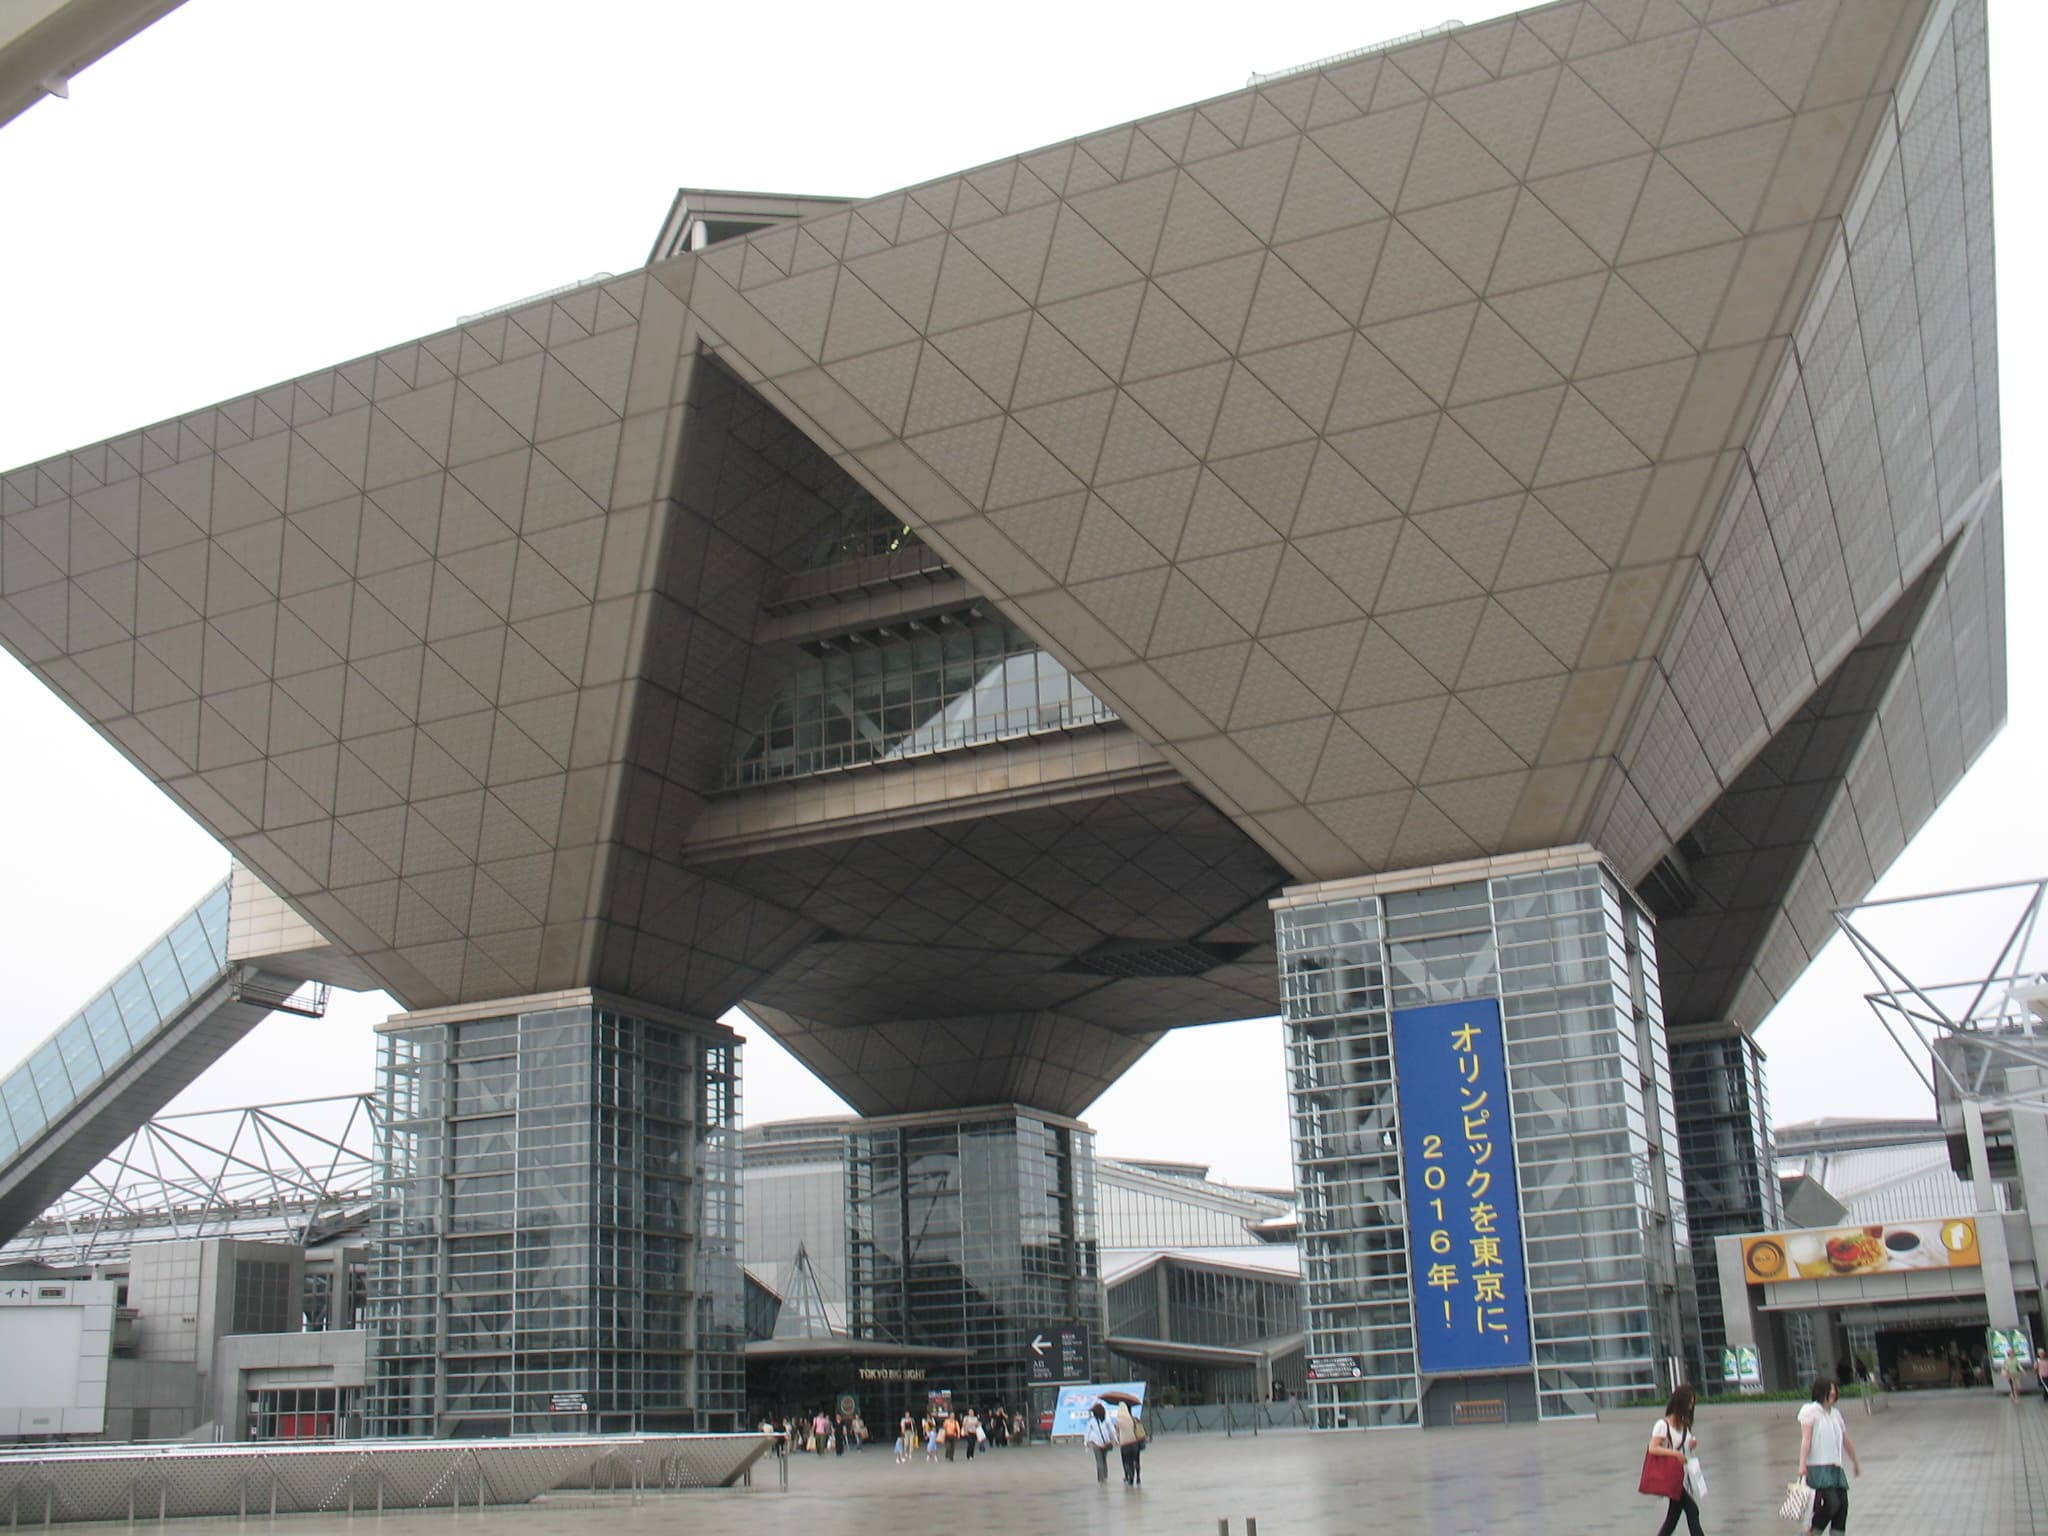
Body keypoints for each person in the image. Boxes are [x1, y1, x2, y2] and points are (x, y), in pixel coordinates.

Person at [1797, 1375, 1860, 1534]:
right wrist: (1802, 1464)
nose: (1833, 1397)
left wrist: (1855, 1462)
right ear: (1821, 1392)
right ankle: (1812, 1531)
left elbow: (1846, 1440)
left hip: (1835, 1467)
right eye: (1830, 1394)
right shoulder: (1810, 1411)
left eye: (1834, 1394)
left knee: (1842, 1506)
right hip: (1817, 1467)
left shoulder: (1835, 1414)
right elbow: (1806, 1439)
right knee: (1832, 1503)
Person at [1645, 1384, 1702, 1536]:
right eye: (1689, 1403)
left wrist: (1690, 1445)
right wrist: (1675, 1454)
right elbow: (1652, 1448)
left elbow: (1683, 1447)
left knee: (1673, 1518)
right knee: (1692, 1509)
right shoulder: (1662, 1425)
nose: (1691, 1407)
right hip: (1671, 1477)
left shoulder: (1683, 1424)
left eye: (1692, 1403)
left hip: (1679, 1475)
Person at [1112, 1401, 1144, 1486]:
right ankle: (1138, 1478)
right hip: (1135, 1443)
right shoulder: (1134, 1419)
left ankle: (1130, 1476)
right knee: (1136, 1460)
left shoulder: (1119, 1420)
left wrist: (1117, 1439)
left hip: (1125, 1444)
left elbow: (1117, 1432)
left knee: (1126, 1462)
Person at [1081, 1401, 1115, 1483]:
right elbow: (1112, 1431)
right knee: (1104, 1459)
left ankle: (1101, 1478)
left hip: (1096, 1443)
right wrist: (1115, 1440)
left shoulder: (1092, 1421)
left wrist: (1086, 1443)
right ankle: (1105, 1475)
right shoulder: (1107, 1420)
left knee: (1099, 1460)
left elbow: (1087, 1432)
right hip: (1106, 1442)